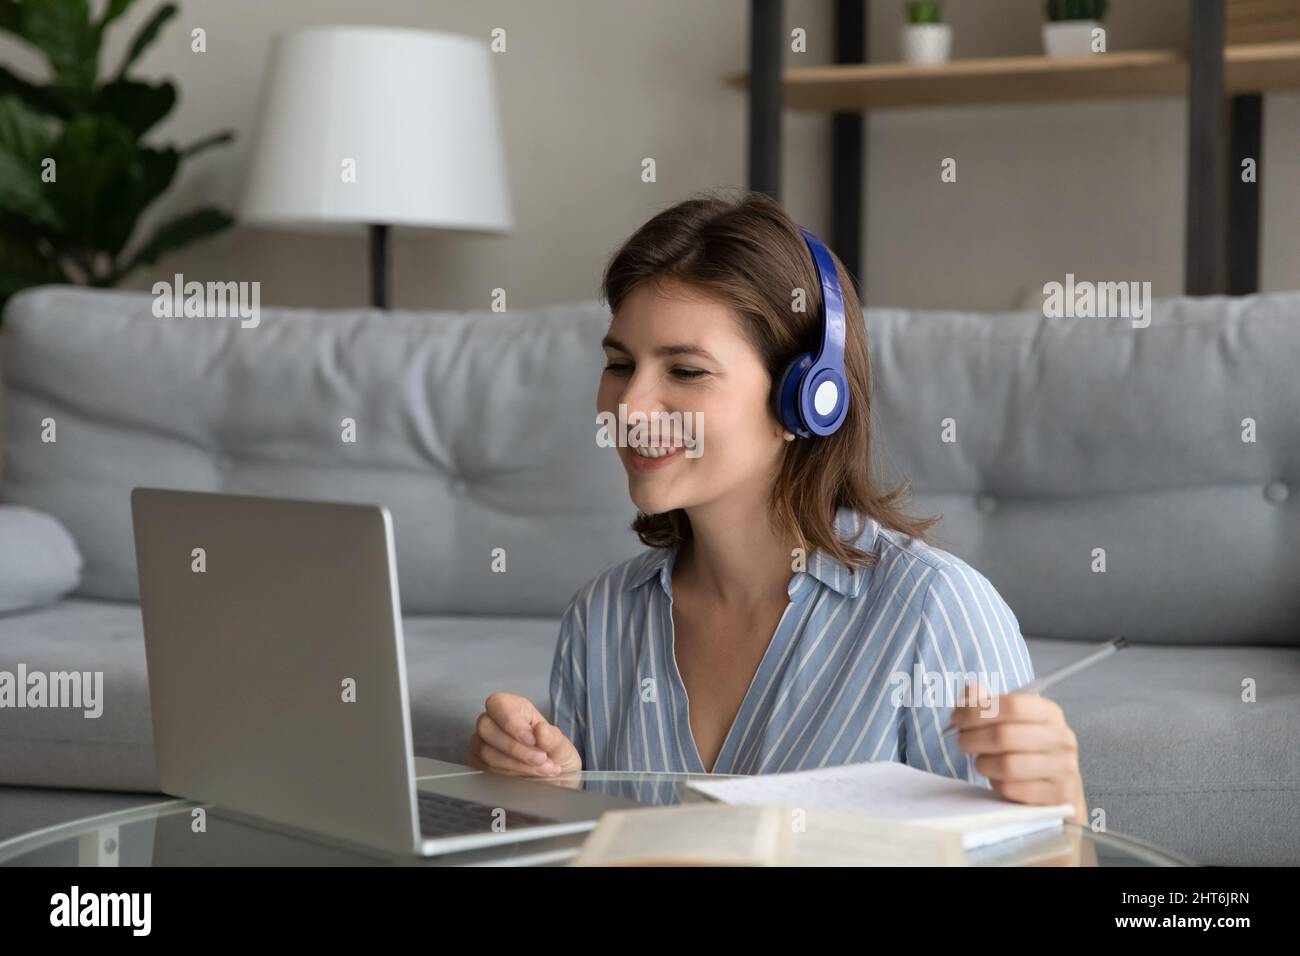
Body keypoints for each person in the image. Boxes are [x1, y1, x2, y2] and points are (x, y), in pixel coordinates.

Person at [467, 190, 1087, 824]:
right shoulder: (600, 621)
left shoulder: (934, 613)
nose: (630, 408)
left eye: (685, 371)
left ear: (808, 398)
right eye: (621, 364)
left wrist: (1061, 806)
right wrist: (535, 793)